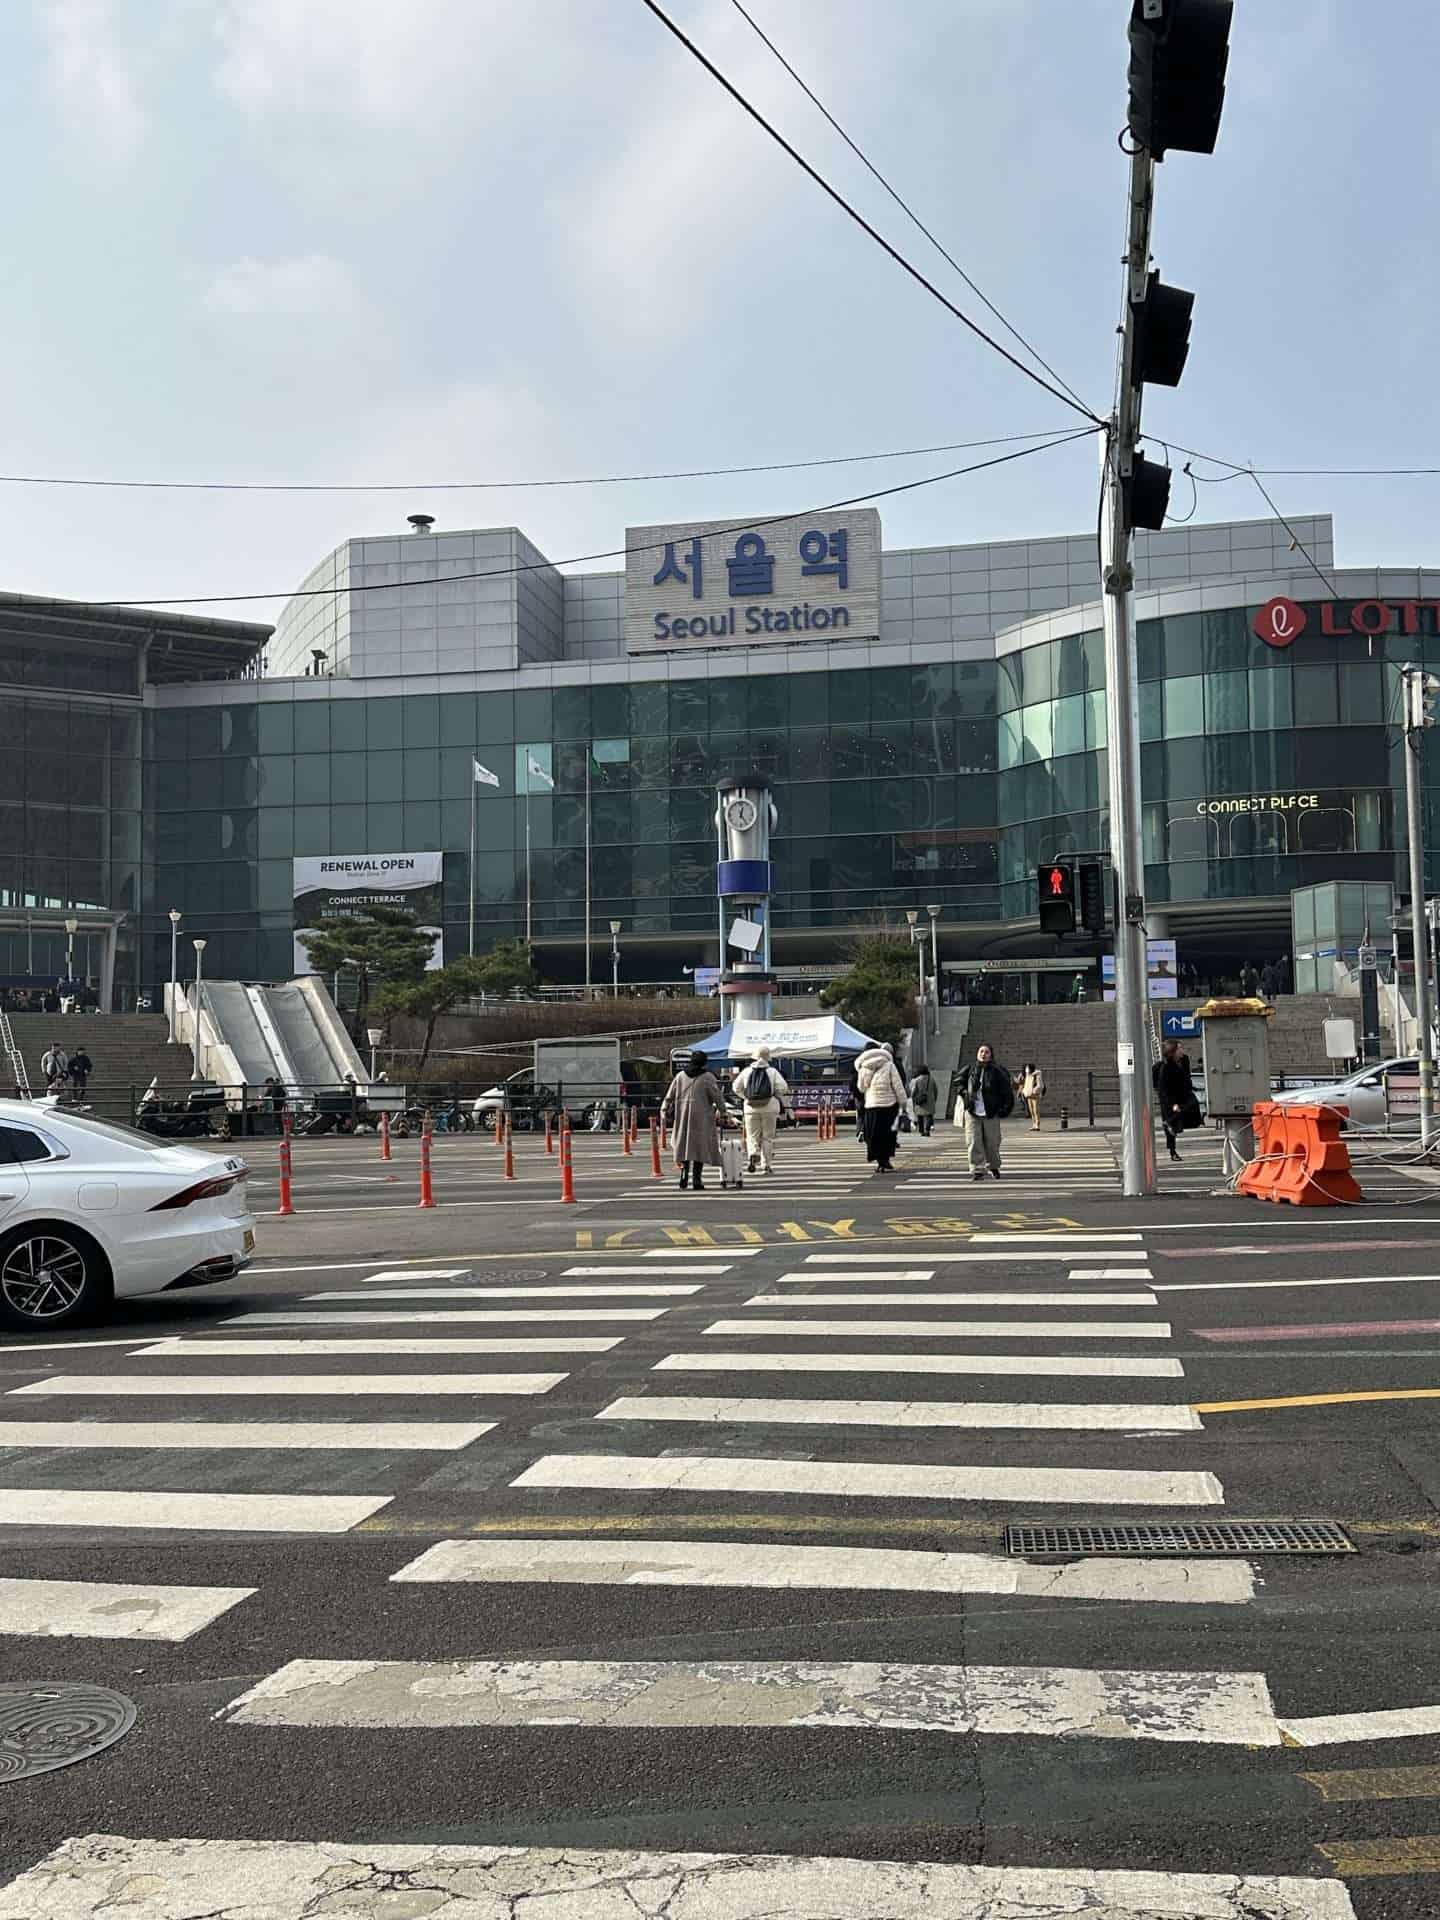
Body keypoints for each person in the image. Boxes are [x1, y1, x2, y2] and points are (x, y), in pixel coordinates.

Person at [661, 1049, 725, 1192]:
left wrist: (664, 1110)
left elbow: (669, 1095)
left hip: (682, 1115)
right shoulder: (708, 1077)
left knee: (684, 1145)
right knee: (699, 1146)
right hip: (702, 1117)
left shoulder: (680, 1076)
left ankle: (684, 1174)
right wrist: (723, 1111)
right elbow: (717, 1097)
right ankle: (697, 1179)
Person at [954, 1042, 1015, 1180]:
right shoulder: (970, 1069)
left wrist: (1005, 1108)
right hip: (972, 1111)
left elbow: (1007, 1091)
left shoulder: (998, 1071)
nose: (983, 1054)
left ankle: (993, 1165)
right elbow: (957, 1082)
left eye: (986, 1052)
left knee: (992, 1142)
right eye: (981, 1051)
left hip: (991, 1112)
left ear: (991, 1055)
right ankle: (977, 1170)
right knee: (973, 1141)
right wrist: (964, 1093)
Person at [731, 1045, 790, 1175]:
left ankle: (753, 1154)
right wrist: (774, 1095)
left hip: (750, 1107)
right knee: (767, 1137)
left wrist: (746, 1096)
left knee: (752, 1136)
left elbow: (735, 1087)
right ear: (768, 1057)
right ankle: (766, 1166)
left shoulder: (746, 1071)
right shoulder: (772, 1072)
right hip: (769, 1106)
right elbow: (783, 1087)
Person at [853, 1039, 908, 1175]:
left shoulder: (863, 1067)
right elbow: (897, 1085)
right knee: (888, 1135)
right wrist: (903, 1102)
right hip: (889, 1105)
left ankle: (879, 1161)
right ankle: (886, 1161)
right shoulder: (889, 1064)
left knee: (874, 1134)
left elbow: (861, 1087)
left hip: (872, 1105)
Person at [1153, 1037, 1200, 1162]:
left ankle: (1170, 1121)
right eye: (1179, 1048)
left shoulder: (1185, 1060)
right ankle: (1172, 1151)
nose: (1182, 1050)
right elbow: (1162, 1088)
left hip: (1184, 1093)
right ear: (1172, 1051)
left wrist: (1190, 1086)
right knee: (1171, 1128)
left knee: (1193, 1105)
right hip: (1169, 1097)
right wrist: (1173, 1104)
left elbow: (1186, 1075)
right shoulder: (1164, 1066)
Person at [908, 1063, 937, 1136]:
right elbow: (936, 1090)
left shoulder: (917, 1080)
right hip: (930, 1100)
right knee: (929, 1116)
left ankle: (921, 1131)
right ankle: (927, 1130)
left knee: (920, 1116)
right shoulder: (931, 1079)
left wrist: (913, 1099)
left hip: (920, 1101)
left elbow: (914, 1091)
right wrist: (934, 1099)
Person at [1018, 1061, 1045, 1131]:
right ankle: (1034, 1124)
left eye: (1028, 1068)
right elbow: (1024, 1084)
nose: (1027, 1069)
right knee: (1031, 1110)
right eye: (1026, 1068)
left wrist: (1034, 1091)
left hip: (1035, 1094)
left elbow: (1040, 1084)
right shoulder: (1026, 1075)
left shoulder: (1036, 1074)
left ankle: (1037, 1125)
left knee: (1036, 1109)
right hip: (1028, 1094)